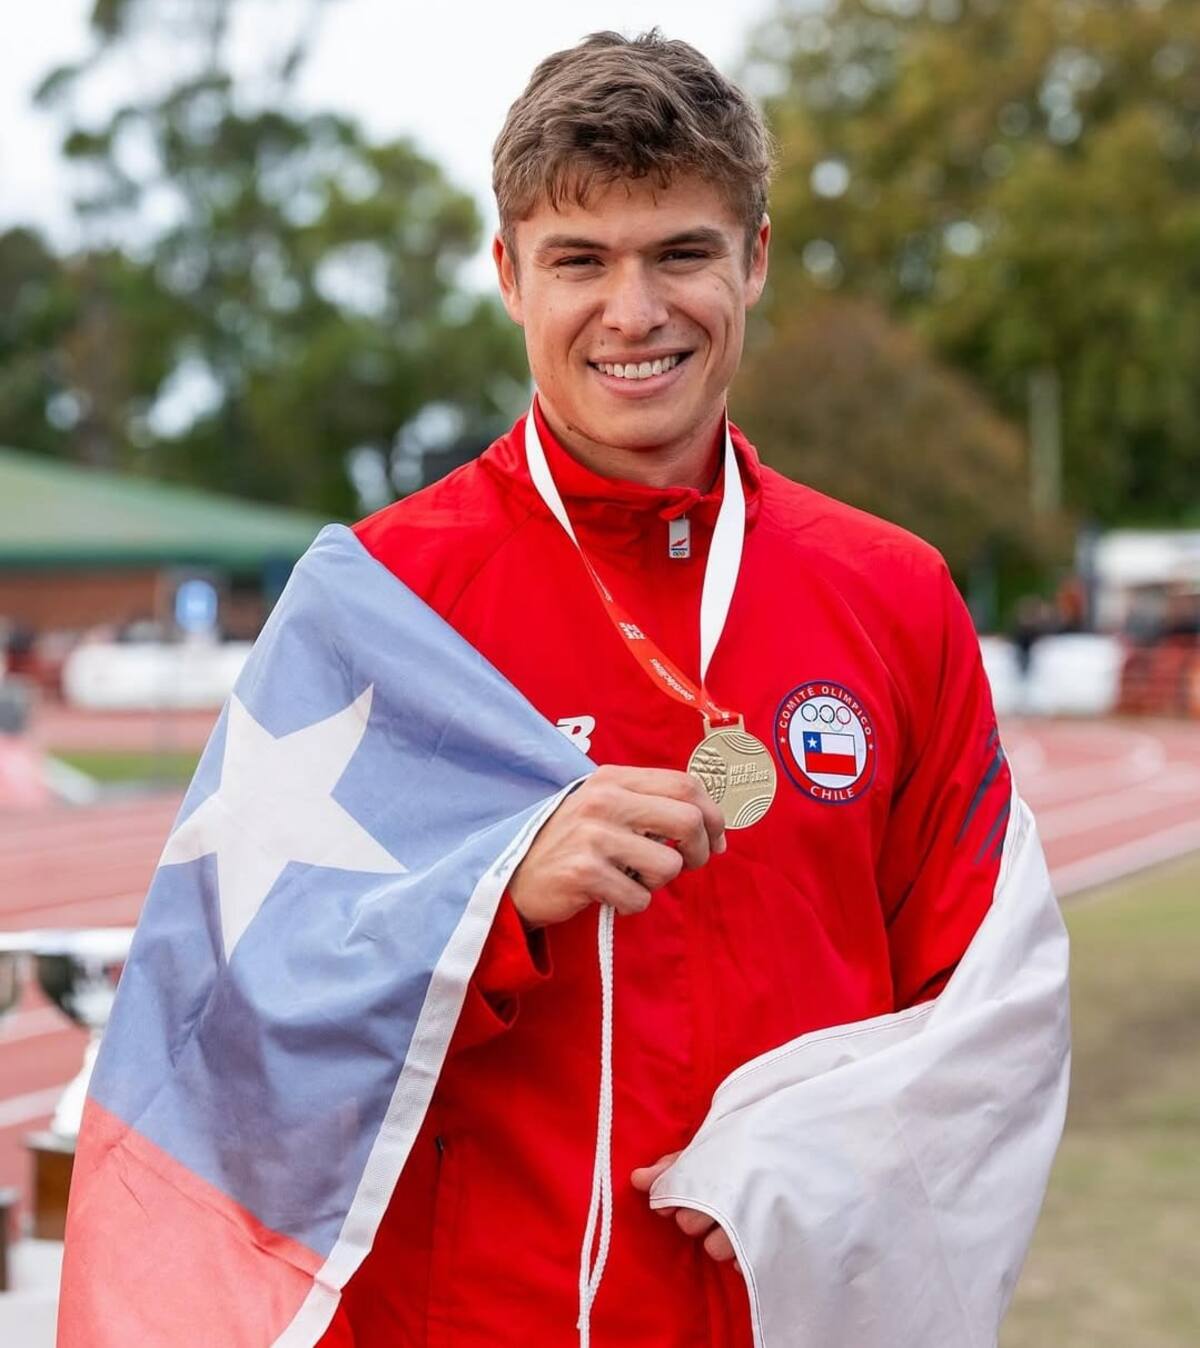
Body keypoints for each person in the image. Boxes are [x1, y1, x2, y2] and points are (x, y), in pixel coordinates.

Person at [317, 29, 1022, 1348]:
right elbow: (255, 1012)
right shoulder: (381, 600)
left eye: (682, 253)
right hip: (485, 1320)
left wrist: (841, 1140)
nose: (634, 312)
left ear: (754, 259)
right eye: (580, 261)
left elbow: (985, 1005)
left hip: (789, 1314)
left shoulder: (896, 594)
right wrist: (494, 903)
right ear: (508, 275)